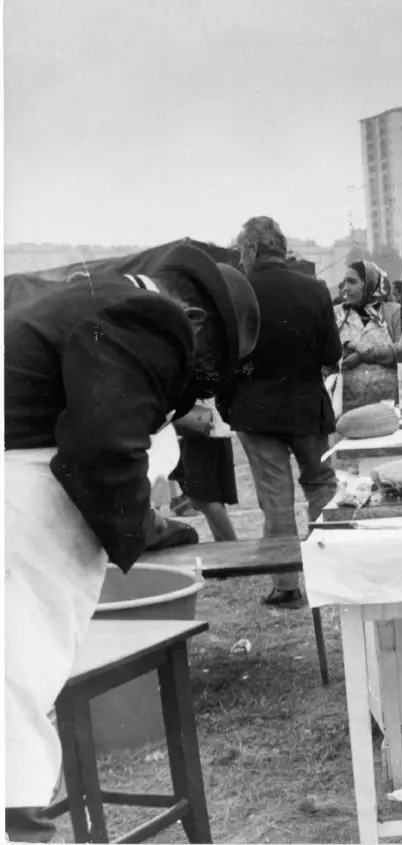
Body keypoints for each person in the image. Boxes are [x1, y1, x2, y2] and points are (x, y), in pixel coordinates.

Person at [4, 246, 259, 842]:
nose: (195, 393)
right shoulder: (157, 316)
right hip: (17, 520)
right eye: (206, 369)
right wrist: (142, 528)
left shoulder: (90, 294)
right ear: (195, 321)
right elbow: (102, 446)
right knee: (10, 703)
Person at [228, 216, 343, 607]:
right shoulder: (315, 289)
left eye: (241, 251)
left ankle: (287, 585)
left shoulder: (235, 294)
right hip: (307, 407)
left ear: (253, 250)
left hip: (256, 413)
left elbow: (224, 360)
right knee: (322, 484)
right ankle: (335, 571)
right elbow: (332, 354)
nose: (240, 260)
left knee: (275, 501)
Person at [335, 260, 402, 413]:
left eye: (352, 282)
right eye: (344, 282)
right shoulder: (337, 314)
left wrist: (364, 355)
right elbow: (328, 351)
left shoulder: (393, 312)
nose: (345, 288)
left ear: (369, 284)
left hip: (388, 405)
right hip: (347, 407)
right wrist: (349, 346)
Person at [169, 398, 239, 541]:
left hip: (204, 426)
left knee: (203, 495)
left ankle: (232, 546)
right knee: (204, 496)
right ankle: (224, 547)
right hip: (196, 426)